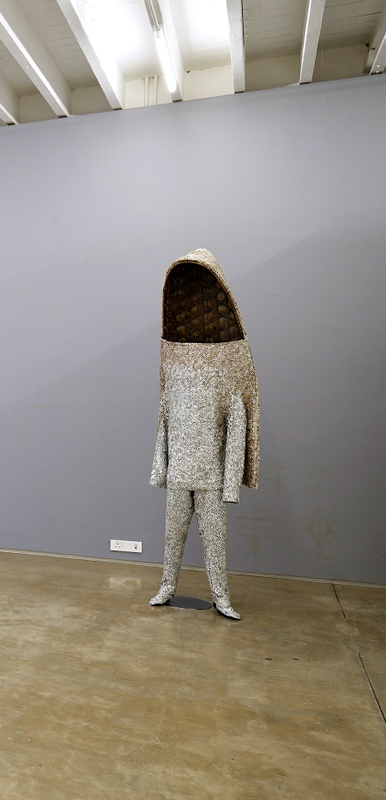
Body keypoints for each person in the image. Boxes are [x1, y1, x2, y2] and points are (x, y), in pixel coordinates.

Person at [149, 249, 259, 621]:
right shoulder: (174, 378)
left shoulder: (225, 379)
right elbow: (163, 422)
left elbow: (238, 427)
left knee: (215, 543)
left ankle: (221, 596)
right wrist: (160, 470)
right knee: (171, 537)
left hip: (210, 477)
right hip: (181, 474)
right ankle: (167, 585)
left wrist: (230, 485)